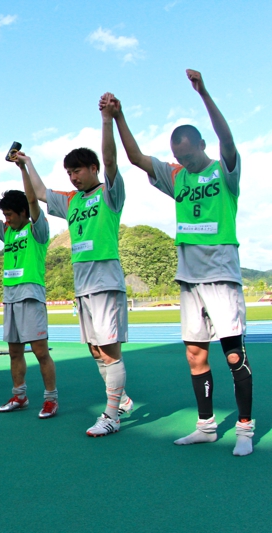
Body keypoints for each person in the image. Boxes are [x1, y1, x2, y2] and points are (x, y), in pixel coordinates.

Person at [111, 70, 254, 455]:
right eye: (179, 158)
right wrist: (119, 116)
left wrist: (204, 93)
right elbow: (136, 158)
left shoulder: (224, 172)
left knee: (234, 354)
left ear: (202, 146)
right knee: (195, 354)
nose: (185, 162)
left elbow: (228, 140)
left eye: (189, 156)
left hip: (221, 275)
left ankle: (244, 430)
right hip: (189, 279)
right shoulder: (178, 176)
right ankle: (206, 426)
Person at [26, 93, 133, 436]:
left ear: (93, 169)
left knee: (110, 351)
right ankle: (121, 398)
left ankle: (112, 415)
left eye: (78, 170)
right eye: (69, 172)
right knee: (95, 350)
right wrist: (26, 164)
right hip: (82, 283)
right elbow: (41, 192)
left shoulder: (110, 193)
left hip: (105, 279)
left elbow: (111, 159)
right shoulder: (71, 201)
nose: (73, 177)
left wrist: (107, 119)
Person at [0, 159, 59, 418]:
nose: (6, 219)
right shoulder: (7, 231)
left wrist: (22, 169)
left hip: (31, 295)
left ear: (22, 212)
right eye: (5, 215)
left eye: (9, 215)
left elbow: (33, 200)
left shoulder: (37, 229)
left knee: (40, 352)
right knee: (15, 352)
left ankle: (51, 399)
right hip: (10, 297)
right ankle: (19, 396)